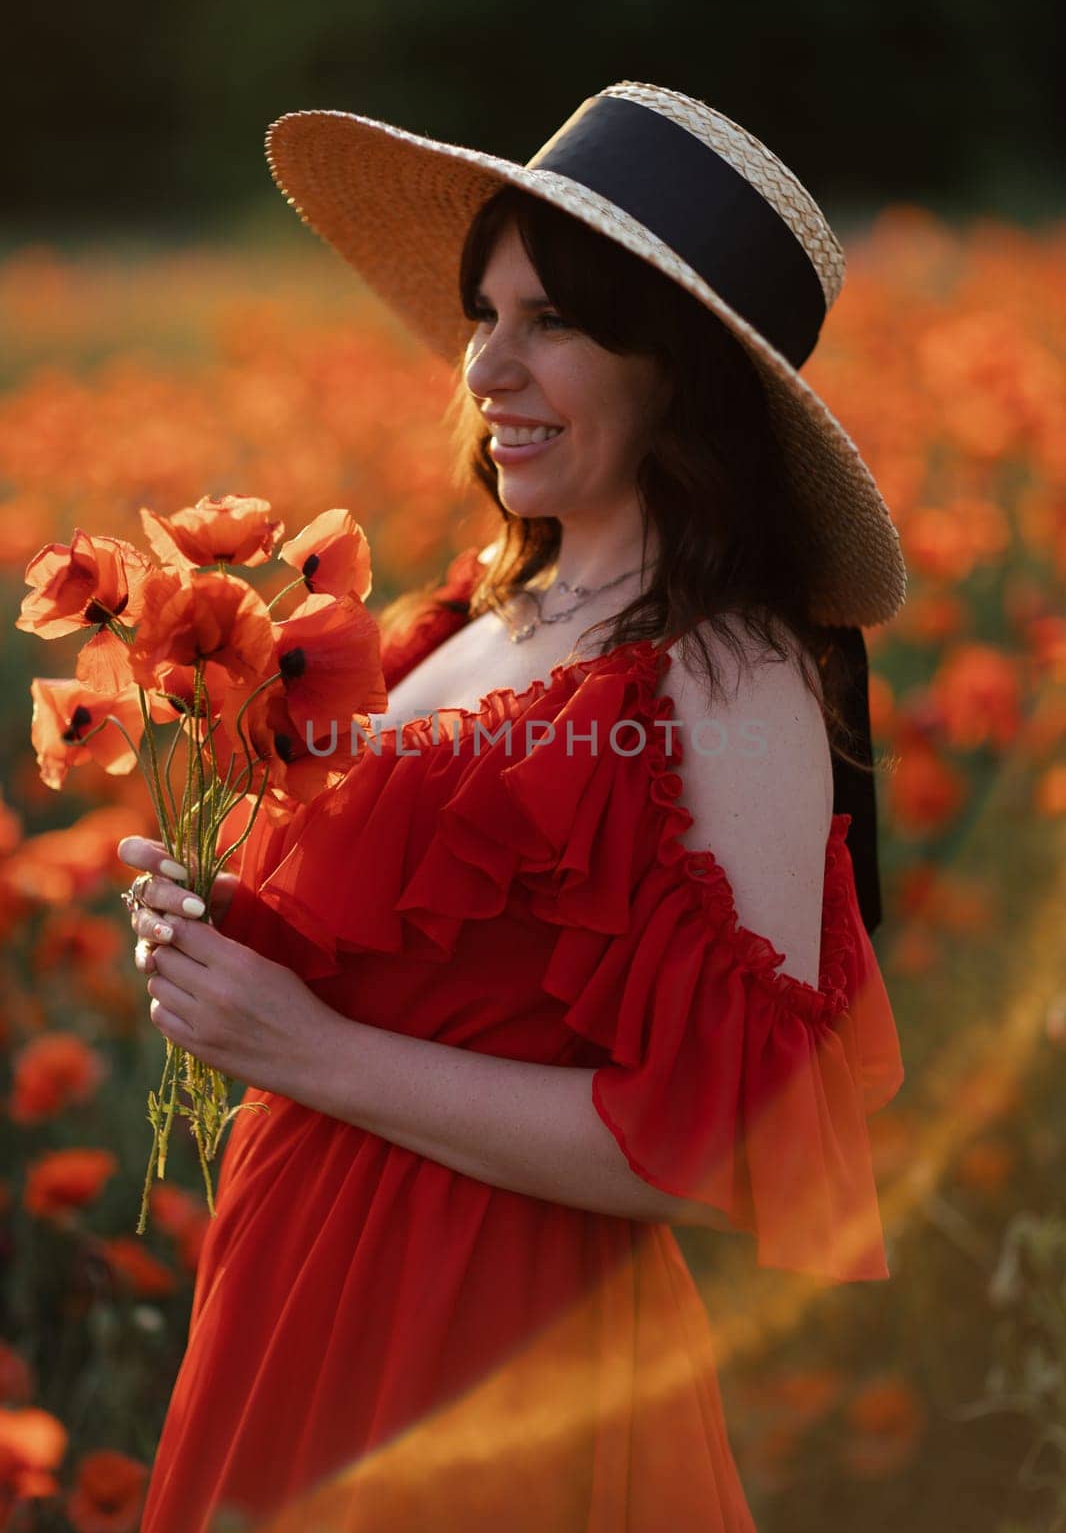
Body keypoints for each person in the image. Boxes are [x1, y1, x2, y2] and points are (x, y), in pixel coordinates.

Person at [121, 81, 906, 1531]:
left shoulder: (727, 673)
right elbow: (418, 967)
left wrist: (310, 1051)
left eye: (551, 320)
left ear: (683, 371)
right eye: (484, 314)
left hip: (486, 1346)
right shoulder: (457, 622)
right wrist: (215, 931)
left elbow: (734, 1154)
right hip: (287, 1290)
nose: (486, 367)